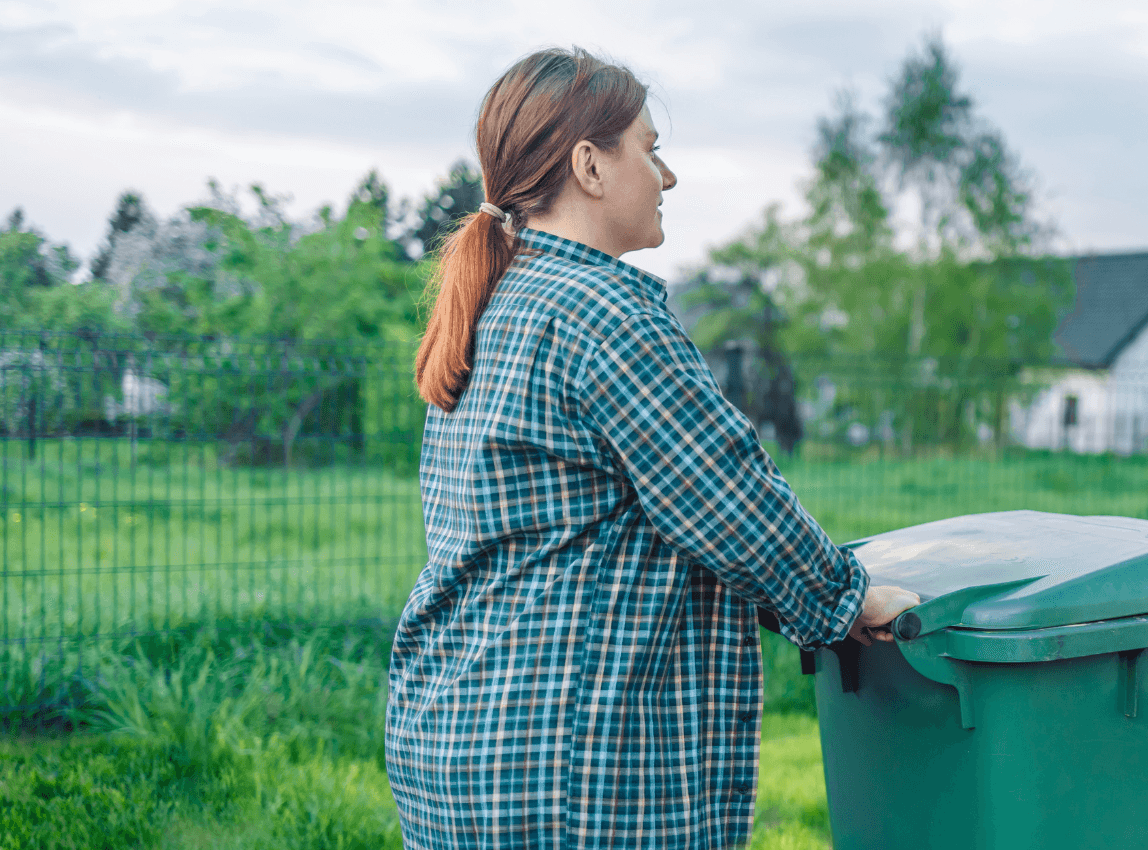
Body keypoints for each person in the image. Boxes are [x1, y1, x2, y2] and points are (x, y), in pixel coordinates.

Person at [386, 48, 919, 849]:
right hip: (567, 764)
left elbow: (662, 513)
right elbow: (723, 497)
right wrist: (846, 599)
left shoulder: (502, 301)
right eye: (650, 147)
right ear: (590, 166)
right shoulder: (601, 312)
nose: (666, 176)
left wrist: (806, 603)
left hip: (464, 733)